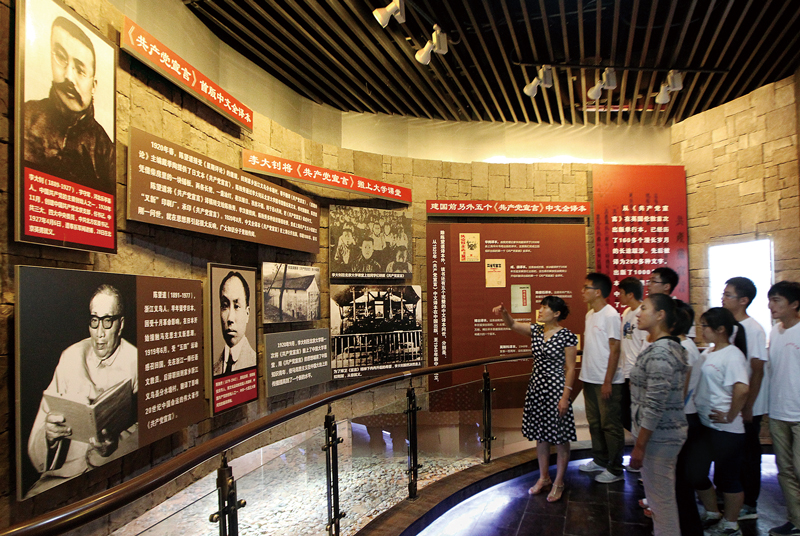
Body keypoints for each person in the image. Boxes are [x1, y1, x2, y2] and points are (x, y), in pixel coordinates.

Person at [27, 284, 138, 496]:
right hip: (62, 477)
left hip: (114, 473)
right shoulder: (71, 356)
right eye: (94, 320)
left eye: (108, 321)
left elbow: (146, 430)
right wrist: (49, 437)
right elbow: (41, 428)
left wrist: (111, 447)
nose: (100, 333)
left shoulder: (136, 361)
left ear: (121, 324)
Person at [493, 296, 578, 502]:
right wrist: (504, 313)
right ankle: (544, 477)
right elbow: (513, 324)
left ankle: (559, 482)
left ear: (556, 313)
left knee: (560, 436)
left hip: (556, 389)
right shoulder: (537, 330)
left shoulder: (567, 336)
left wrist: (565, 396)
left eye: (545, 308)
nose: (540, 310)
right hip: (537, 388)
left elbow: (570, 368)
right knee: (541, 435)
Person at [23, 16, 114, 192]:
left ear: (94, 86)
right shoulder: (27, 116)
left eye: (80, 70)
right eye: (61, 58)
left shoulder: (104, 149)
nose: (69, 77)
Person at [628, 294, 688, 536]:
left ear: (660, 315)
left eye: (644, 308)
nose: (638, 313)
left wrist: (640, 446)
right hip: (660, 436)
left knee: (661, 503)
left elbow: (654, 405)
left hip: (658, 438)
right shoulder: (665, 347)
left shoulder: (661, 352)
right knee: (659, 499)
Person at [694, 307, 750, 536]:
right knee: (696, 472)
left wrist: (729, 415)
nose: (702, 330)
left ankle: (731, 524)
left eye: (705, 326)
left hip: (726, 429)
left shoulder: (733, 355)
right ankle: (712, 512)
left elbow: (742, 389)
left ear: (720, 329)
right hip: (706, 425)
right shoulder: (708, 352)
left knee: (727, 479)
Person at [721, 276, 768, 521]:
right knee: (731, 453)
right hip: (731, 403)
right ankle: (730, 495)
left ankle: (749, 503)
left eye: (728, 295)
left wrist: (749, 406)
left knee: (749, 454)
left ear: (743, 300)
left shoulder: (754, 329)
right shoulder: (729, 326)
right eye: (724, 294)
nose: (723, 298)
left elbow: (757, 370)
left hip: (748, 404)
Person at [578, 272, 625, 483]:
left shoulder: (611, 315)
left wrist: (608, 381)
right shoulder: (590, 315)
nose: (582, 291)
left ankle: (615, 469)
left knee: (610, 425)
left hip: (607, 380)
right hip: (589, 377)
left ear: (597, 292)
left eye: (586, 288)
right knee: (595, 423)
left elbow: (615, 348)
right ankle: (600, 459)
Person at [765, 281, 800, 536]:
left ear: (795, 304)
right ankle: (796, 520)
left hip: (799, 413)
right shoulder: (775, 332)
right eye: (770, 300)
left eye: (777, 300)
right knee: (785, 471)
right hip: (778, 411)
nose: (771, 305)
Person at [673, 299, 705, 536]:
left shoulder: (684, 348)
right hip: (684, 416)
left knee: (682, 483)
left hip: (683, 417)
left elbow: (680, 392)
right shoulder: (684, 346)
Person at [619, 276, 648, 435]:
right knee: (624, 414)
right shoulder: (626, 312)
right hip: (624, 371)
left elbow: (645, 346)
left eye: (621, 293)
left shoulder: (642, 313)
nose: (619, 296)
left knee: (637, 414)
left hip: (636, 372)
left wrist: (637, 373)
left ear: (630, 294)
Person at [213, 271, 257, 376]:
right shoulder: (214, 368)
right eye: (225, 306)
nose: (230, 318)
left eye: (237, 306)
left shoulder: (255, 361)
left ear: (247, 313)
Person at [648, 266, 696, 338]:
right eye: (649, 281)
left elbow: (688, 338)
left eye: (653, 281)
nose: (648, 285)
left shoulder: (680, 309)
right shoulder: (648, 309)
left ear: (666, 287)